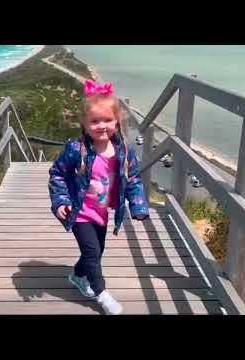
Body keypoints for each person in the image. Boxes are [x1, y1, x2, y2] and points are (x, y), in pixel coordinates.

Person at [48, 79, 149, 315]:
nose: (101, 126)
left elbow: (132, 178)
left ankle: (77, 276)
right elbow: (57, 174)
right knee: (93, 252)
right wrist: (60, 201)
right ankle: (101, 293)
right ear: (84, 123)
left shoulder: (123, 151)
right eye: (94, 121)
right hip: (79, 211)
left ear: (117, 121)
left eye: (107, 120)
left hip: (101, 212)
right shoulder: (76, 149)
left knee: (95, 251)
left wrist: (138, 206)